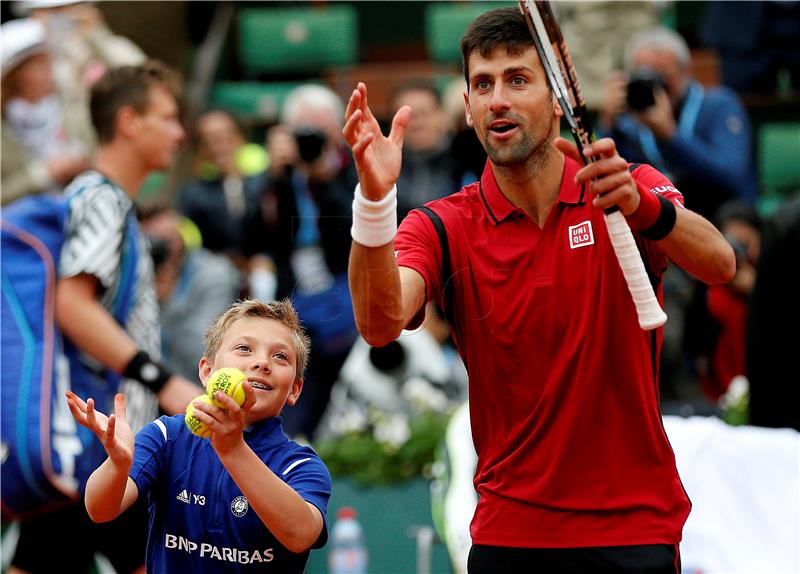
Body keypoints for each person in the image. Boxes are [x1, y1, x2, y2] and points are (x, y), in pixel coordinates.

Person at [343, 7, 735, 573]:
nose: (497, 99)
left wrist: (643, 207)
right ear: (470, 109)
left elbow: (721, 263)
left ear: (558, 99)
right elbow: (379, 323)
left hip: (634, 527)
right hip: (513, 535)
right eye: (483, 84)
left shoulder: (627, 189)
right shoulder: (440, 225)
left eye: (517, 79)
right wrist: (375, 202)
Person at [8, 61, 201, 574]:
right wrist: (162, 381)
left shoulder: (103, 200)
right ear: (129, 122)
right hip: (106, 439)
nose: (180, 132)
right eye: (167, 117)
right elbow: (72, 304)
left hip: (99, 438)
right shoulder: (102, 200)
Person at [65, 298, 332, 572]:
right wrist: (118, 465)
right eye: (244, 348)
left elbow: (301, 535)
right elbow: (100, 510)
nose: (262, 362)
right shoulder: (168, 435)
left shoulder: (300, 465)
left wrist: (232, 449)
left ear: (295, 390)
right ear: (207, 371)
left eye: (280, 357)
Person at [250, 83, 359, 439]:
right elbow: (250, 233)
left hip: (346, 284)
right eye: (302, 130)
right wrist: (274, 176)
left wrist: (323, 177)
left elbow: (353, 231)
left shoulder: (352, 166)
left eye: (318, 129)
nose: (309, 138)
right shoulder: (279, 175)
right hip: (291, 290)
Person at [598, 26, 757, 222]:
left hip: (717, 213)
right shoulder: (629, 122)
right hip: (659, 219)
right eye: (644, 78)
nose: (656, 88)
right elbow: (606, 180)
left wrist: (671, 136)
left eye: (662, 77)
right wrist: (608, 126)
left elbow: (732, 178)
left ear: (686, 71)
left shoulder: (719, 105)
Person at [140, 204, 242, 382]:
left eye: (166, 241)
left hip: (191, 388)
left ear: (182, 236)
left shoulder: (214, 274)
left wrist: (168, 302)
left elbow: (202, 350)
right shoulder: (138, 274)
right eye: (151, 242)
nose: (160, 251)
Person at [1, 17, 90, 205]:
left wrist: (79, 162)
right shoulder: (4, 127)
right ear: (14, 74)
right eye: (38, 64)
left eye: (48, 61)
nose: (48, 70)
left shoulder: (68, 109)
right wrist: (43, 174)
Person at [388, 80, 462, 220]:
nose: (417, 123)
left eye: (424, 113)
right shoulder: (382, 169)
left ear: (443, 116)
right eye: (407, 116)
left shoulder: (464, 162)